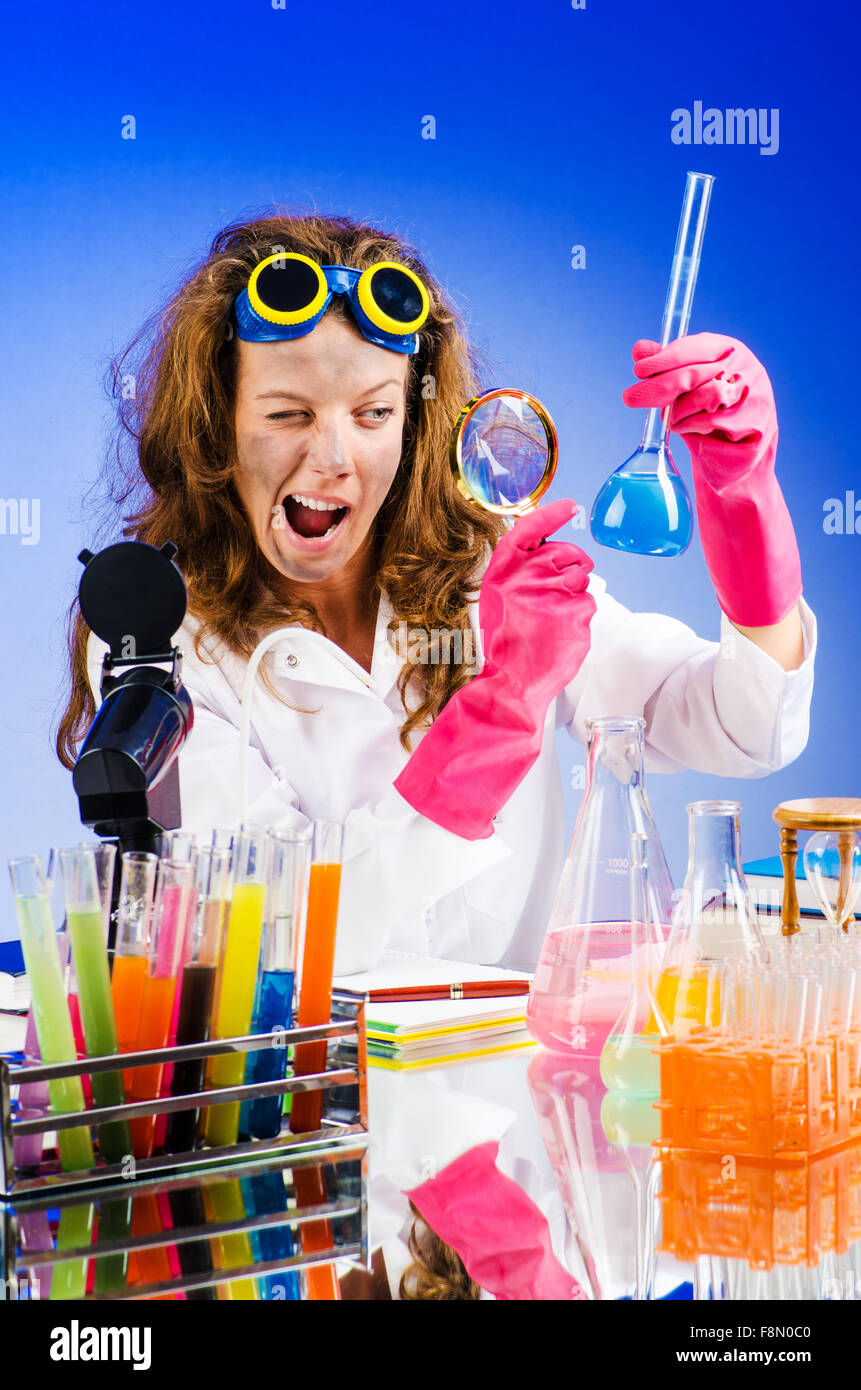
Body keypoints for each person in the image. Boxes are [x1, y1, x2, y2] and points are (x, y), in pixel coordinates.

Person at [58, 211, 817, 975]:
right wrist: (501, 707)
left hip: (509, 1080)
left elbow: (743, 727)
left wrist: (742, 497)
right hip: (306, 1085)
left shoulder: (485, 575)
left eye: (373, 413)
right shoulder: (155, 636)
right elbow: (278, 936)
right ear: (214, 424)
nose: (331, 457)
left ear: (415, 425)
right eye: (287, 413)